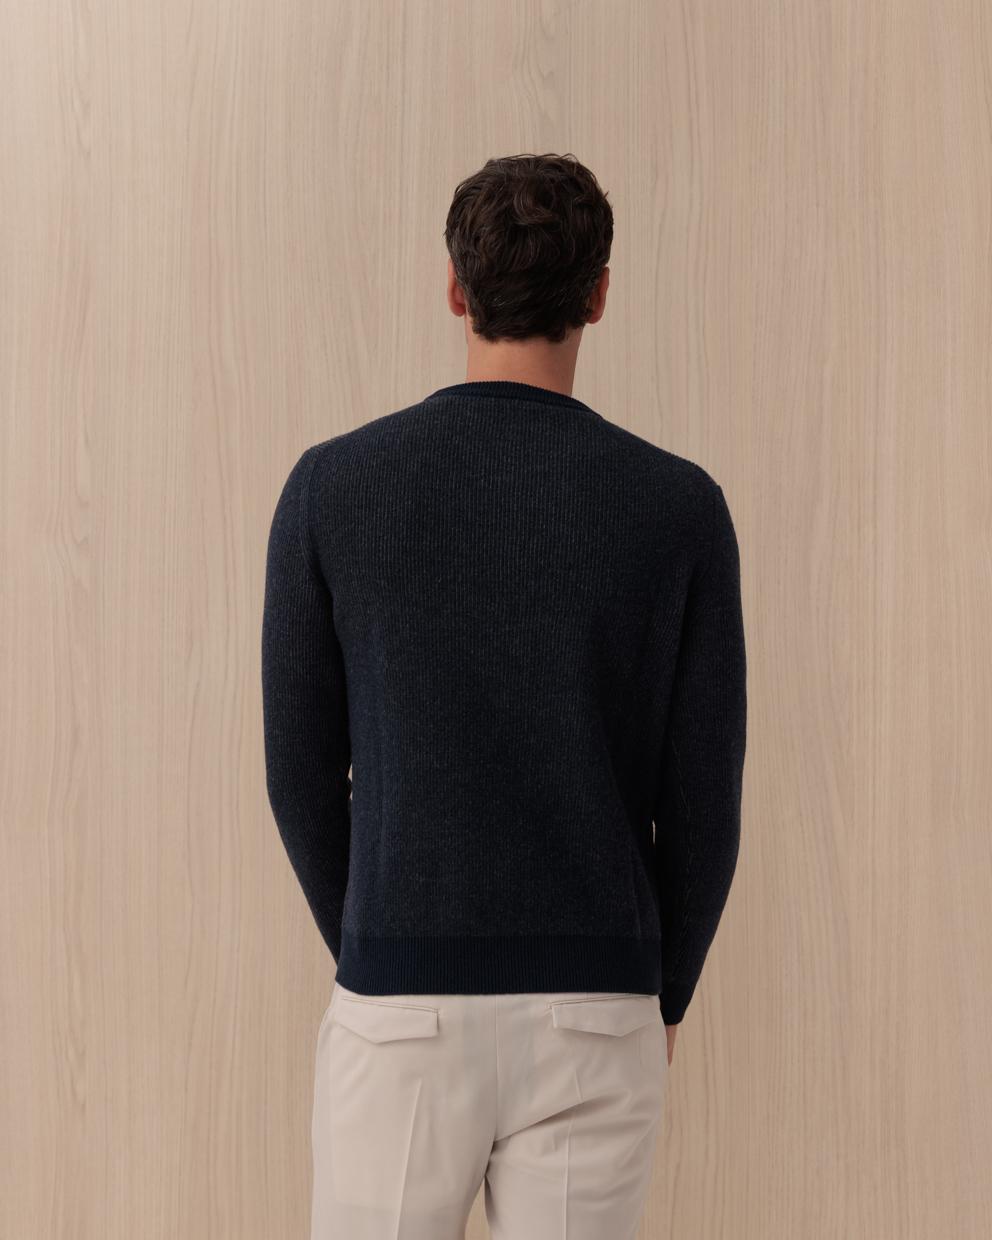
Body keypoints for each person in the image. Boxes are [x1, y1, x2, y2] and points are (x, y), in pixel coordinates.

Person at [261, 152, 747, 1240]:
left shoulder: (331, 489)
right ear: (598, 296)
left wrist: (376, 944)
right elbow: (703, 802)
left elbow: (299, 775)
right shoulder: (678, 509)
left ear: (454, 287)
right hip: (596, 1007)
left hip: (399, 1003)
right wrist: (661, 988)